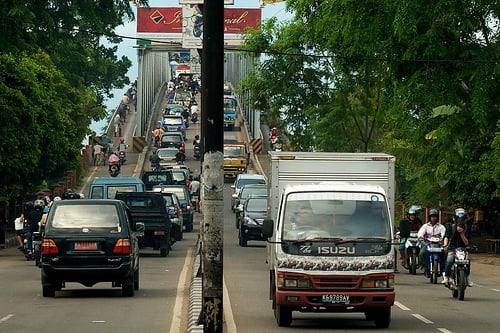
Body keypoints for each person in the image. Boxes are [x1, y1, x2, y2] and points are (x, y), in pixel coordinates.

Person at [442, 208, 473, 286]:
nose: (460, 220)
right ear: (455, 218)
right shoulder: (450, 226)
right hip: (452, 248)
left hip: (462, 249)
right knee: (449, 260)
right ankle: (446, 276)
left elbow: (467, 242)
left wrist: (462, 233)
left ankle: (467, 277)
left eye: (462, 218)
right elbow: (446, 237)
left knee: (467, 261)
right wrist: (445, 245)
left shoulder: (466, 228)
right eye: (458, 218)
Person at [417, 209, 446, 276]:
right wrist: (421, 236)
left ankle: (443, 268)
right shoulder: (425, 226)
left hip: (438, 244)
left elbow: (444, 234)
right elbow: (420, 233)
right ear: (430, 217)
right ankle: (424, 266)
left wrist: (443, 238)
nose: (433, 218)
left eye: (435, 216)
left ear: (437, 217)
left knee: (444, 253)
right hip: (428, 244)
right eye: (432, 216)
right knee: (422, 253)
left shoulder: (441, 227)